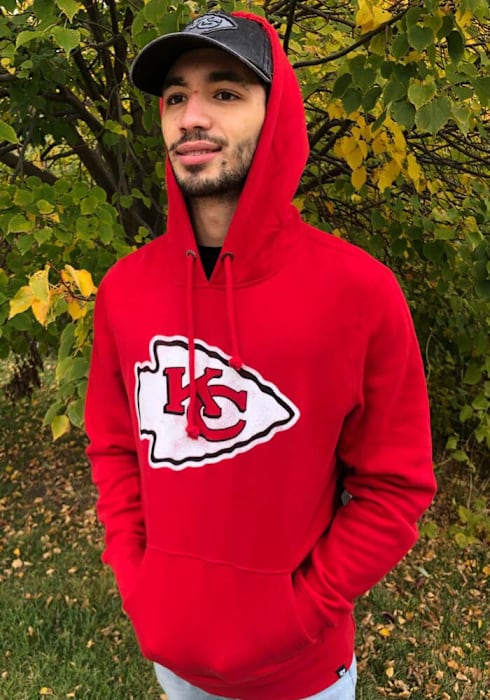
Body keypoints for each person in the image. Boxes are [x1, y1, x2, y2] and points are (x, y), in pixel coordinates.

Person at [85, 10, 436, 700]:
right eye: (176, 97)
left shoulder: (358, 293)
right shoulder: (125, 292)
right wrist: (139, 580)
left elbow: (395, 488)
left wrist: (296, 613)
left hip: (302, 672)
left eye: (224, 92)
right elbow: (115, 447)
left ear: (276, 118)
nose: (192, 117)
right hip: (174, 664)